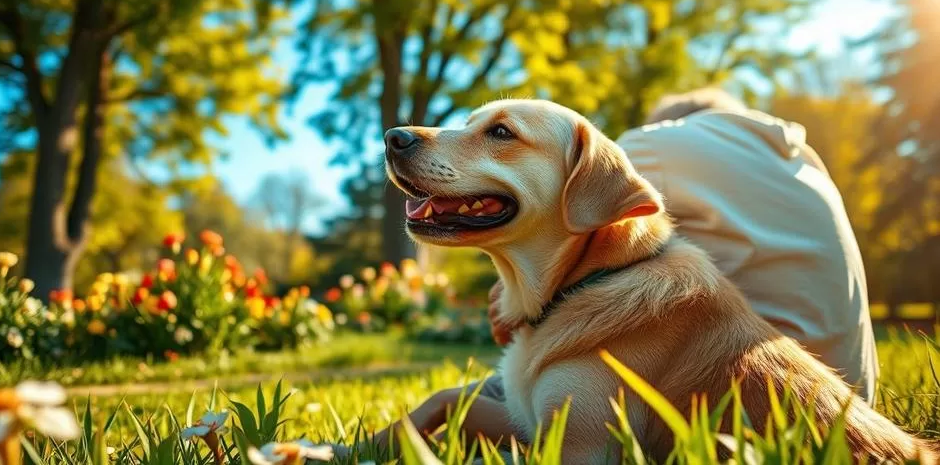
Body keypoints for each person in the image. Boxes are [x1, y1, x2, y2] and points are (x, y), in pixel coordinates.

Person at [358, 88, 878, 455]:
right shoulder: (804, 162)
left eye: (499, 133)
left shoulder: (659, 144)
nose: (410, 137)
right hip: (859, 381)